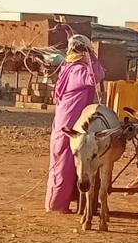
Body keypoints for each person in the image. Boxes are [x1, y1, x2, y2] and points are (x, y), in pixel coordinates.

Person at [45, 34, 105, 213]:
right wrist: (92, 57)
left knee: (63, 159)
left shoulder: (67, 67)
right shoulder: (78, 69)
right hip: (71, 120)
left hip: (64, 118)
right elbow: (97, 76)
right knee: (66, 161)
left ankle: (60, 201)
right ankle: (58, 204)